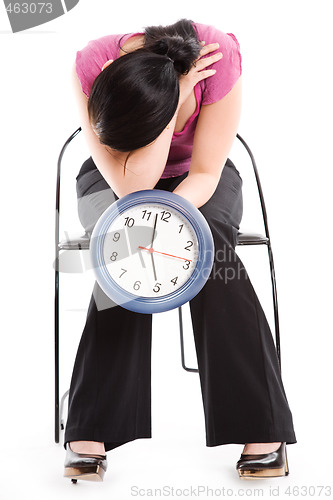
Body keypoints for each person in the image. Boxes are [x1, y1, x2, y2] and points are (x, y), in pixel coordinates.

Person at [63, 19, 296, 482]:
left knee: (209, 252)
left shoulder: (219, 58)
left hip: (202, 173)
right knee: (127, 254)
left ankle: (261, 426)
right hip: (115, 175)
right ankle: (93, 425)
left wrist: (171, 222)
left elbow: (207, 172)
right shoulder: (93, 64)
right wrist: (167, 116)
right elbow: (133, 185)